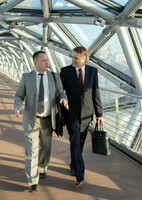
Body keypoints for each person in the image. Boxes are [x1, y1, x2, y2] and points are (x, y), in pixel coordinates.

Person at [14, 50, 68, 193]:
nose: (47, 62)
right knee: (31, 150)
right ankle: (32, 181)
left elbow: (61, 92)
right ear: (35, 62)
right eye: (43, 60)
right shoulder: (27, 77)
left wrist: (63, 99)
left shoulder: (54, 77)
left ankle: (42, 166)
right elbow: (19, 95)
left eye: (47, 60)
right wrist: (17, 106)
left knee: (46, 147)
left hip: (48, 120)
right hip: (32, 119)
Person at [60, 46, 103, 187]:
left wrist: (99, 114)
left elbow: (95, 93)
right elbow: (60, 91)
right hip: (71, 112)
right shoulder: (65, 71)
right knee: (75, 139)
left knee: (79, 143)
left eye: (75, 58)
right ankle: (80, 175)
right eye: (72, 57)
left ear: (84, 58)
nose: (72, 60)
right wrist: (63, 99)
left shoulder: (92, 71)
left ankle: (73, 163)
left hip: (87, 114)